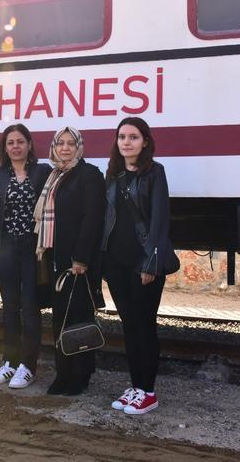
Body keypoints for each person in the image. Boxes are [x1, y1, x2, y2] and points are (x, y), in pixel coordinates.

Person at [100, 117, 177, 415]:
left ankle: (148, 392)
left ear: (145, 142)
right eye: (122, 137)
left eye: (133, 137)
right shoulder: (113, 174)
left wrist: (151, 263)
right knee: (129, 326)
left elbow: (159, 222)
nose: (126, 142)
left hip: (143, 263)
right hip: (116, 263)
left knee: (145, 326)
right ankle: (135, 387)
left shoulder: (155, 172)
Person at [35, 126, 105, 396]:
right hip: (56, 258)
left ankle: (81, 375)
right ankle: (63, 373)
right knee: (60, 318)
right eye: (60, 143)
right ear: (54, 147)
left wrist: (81, 258)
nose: (65, 148)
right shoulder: (55, 175)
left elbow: (92, 218)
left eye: (70, 143)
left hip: (78, 263)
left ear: (79, 147)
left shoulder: (89, 174)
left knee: (79, 317)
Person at [0, 124, 51, 389]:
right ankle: (9, 363)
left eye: (20, 141)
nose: (15, 146)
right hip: (6, 248)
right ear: (5, 147)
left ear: (29, 145)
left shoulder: (43, 172)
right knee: (10, 307)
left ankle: (27, 366)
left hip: (32, 249)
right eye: (10, 142)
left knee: (30, 307)